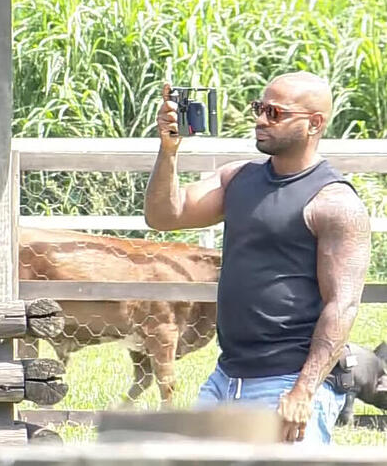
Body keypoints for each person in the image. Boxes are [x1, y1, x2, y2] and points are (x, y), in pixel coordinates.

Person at [144, 72, 371, 444]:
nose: (261, 119)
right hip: (226, 379)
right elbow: (164, 216)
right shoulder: (238, 179)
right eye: (259, 108)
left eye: (275, 113)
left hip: (287, 384)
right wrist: (168, 152)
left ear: (314, 123)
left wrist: (303, 391)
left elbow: (341, 307)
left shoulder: (335, 204)